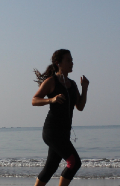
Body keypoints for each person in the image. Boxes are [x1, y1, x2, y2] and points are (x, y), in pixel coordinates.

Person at [32, 49, 89, 186]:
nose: (71, 63)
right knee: (74, 162)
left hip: (64, 133)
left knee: (51, 167)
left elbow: (80, 107)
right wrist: (51, 100)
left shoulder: (72, 84)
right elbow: (34, 100)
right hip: (52, 131)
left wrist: (85, 88)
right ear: (58, 63)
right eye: (68, 60)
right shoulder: (52, 81)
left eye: (72, 60)